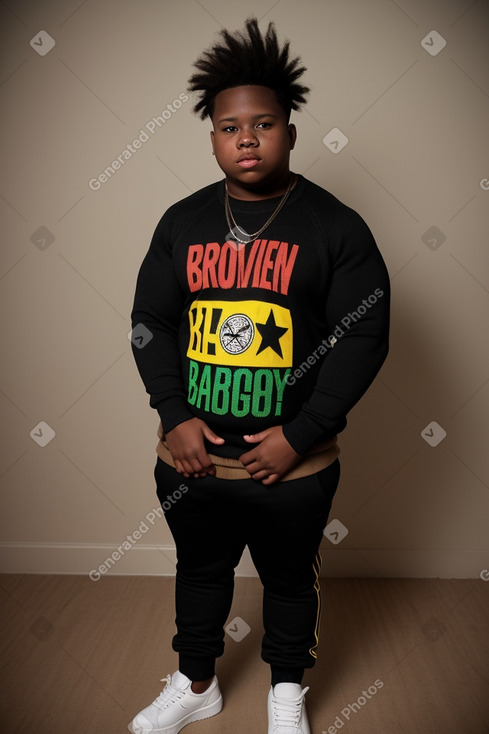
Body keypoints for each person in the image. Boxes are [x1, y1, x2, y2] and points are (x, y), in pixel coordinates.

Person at [128, 16, 390, 734]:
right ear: (211, 136)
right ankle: (196, 682)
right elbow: (149, 320)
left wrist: (302, 432)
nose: (245, 137)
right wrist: (174, 413)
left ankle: (285, 694)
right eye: (227, 126)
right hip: (194, 457)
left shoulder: (334, 226)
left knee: (287, 581)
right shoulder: (181, 222)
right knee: (200, 575)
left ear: (290, 132)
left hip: (292, 464)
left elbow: (364, 333)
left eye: (263, 123)